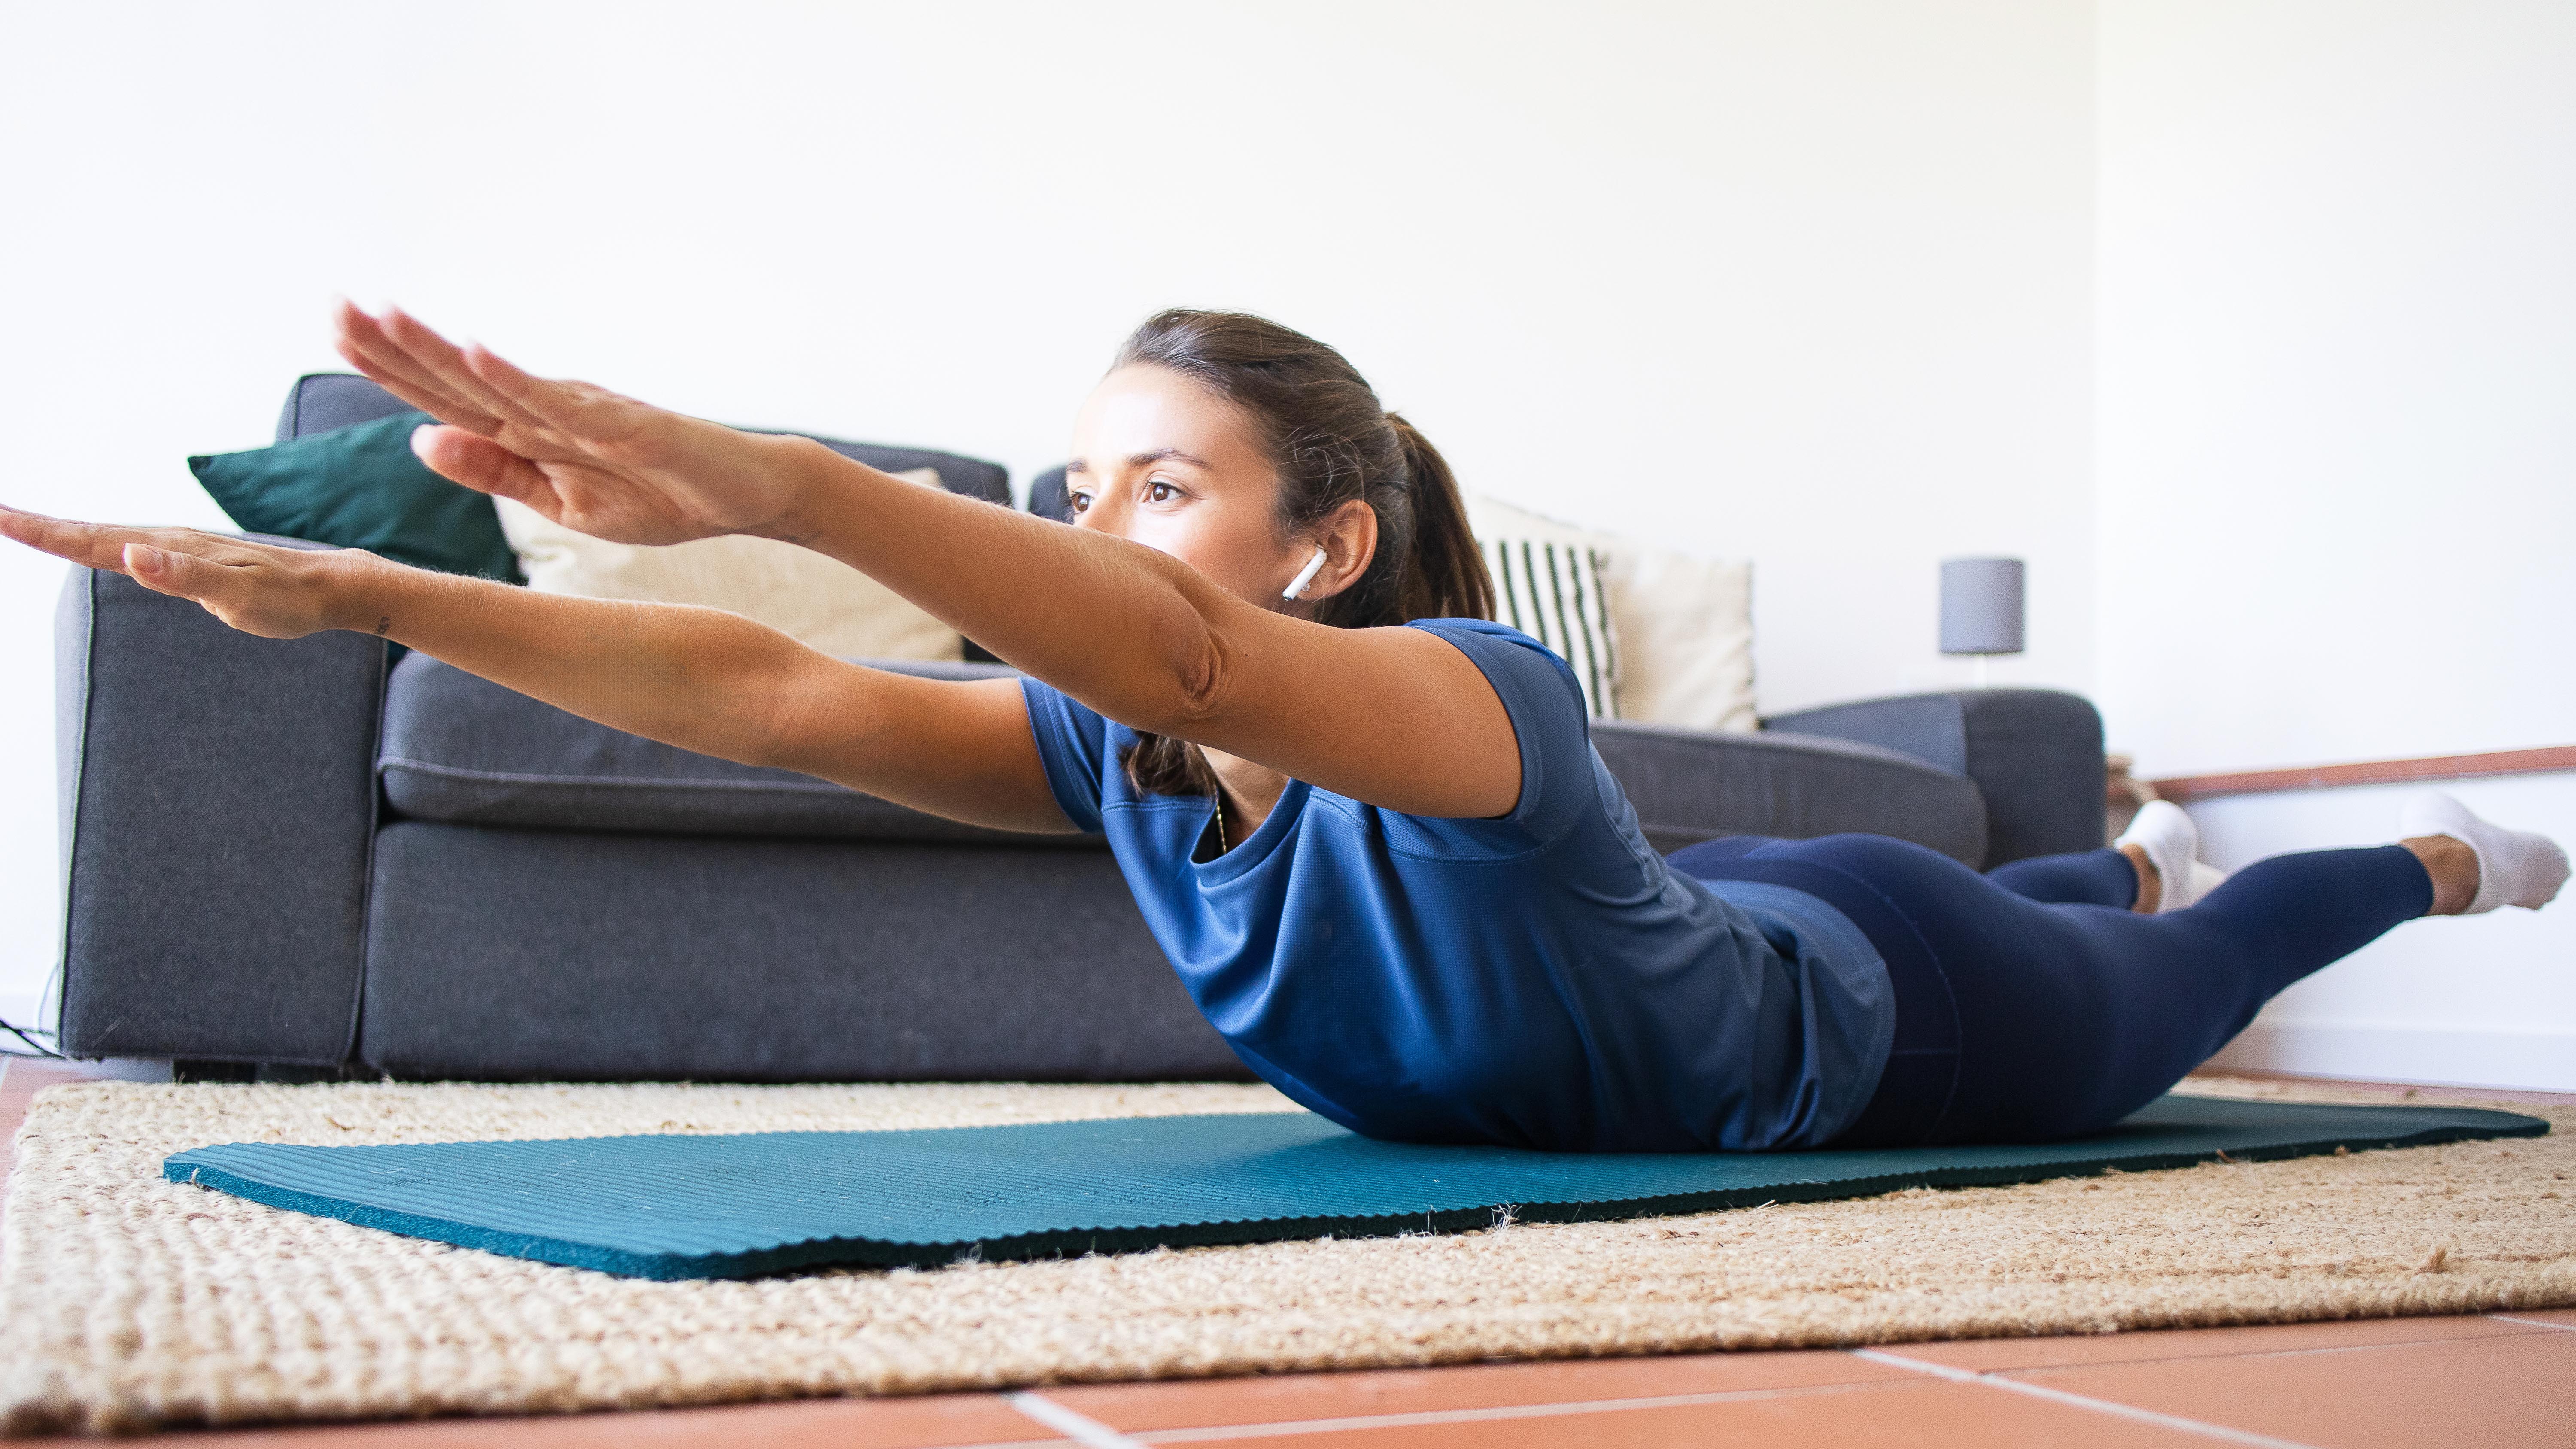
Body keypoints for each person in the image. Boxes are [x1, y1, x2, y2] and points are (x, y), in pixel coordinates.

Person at [4, 305, 2563, 1153]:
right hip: (1746, 930)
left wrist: (774, 476)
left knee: (2197, 973)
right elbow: (768, 687)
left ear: (1317, 541)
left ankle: (2435, 868)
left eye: (1164, 483)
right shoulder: (1100, 754)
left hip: (1889, 1020)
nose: (1099, 522)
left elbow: (1200, 667)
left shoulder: (1466, 696)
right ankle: (2085, 865)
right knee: (2066, 887)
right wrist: (346, 591)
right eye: (1075, 480)